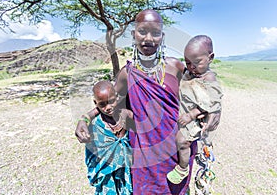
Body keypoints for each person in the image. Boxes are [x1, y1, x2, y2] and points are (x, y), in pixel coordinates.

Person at [75, 10, 221, 194]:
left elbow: (204, 89)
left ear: (162, 36)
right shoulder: (126, 75)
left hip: (176, 154)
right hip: (144, 157)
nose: (148, 38)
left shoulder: (175, 67)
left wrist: (216, 110)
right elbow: (109, 103)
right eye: (142, 31)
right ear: (133, 35)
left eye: (155, 32)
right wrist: (85, 118)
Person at [167, 35, 223, 186]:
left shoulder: (208, 78)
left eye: (197, 62)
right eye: (188, 62)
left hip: (195, 119)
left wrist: (191, 115)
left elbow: (210, 103)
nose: (191, 67)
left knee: (182, 140)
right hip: (186, 115)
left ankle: (182, 168)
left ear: (210, 57)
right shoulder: (191, 73)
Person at [83, 80, 133, 195]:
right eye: (102, 104)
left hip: (128, 172)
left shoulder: (126, 116)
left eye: (111, 101)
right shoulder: (96, 126)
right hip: (107, 178)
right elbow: (91, 156)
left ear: (117, 97)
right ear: (95, 103)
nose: (108, 107)